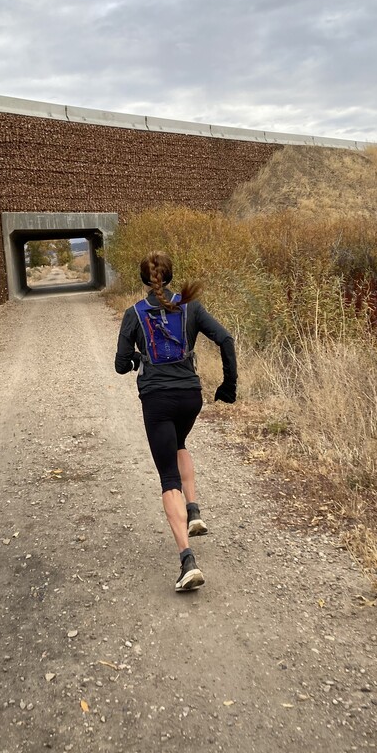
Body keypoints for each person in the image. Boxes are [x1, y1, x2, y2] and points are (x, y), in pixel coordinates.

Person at [114, 250, 237, 592]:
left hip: (157, 401)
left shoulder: (133, 315)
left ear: (144, 280)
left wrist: (139, 357)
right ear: (169, 276)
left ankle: (187, 561)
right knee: (180, 442)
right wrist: (229, 384)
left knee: (168, 476)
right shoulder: (192, 307)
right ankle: (194, 509)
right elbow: (226, 339)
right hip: (190, 398)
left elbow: (120, 365)